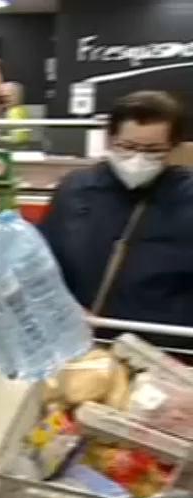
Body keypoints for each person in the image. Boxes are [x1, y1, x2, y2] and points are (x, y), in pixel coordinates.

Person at [39, 90, 193, 350]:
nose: (138, 159)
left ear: (174, 148)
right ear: (110, 139)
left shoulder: (186, 198)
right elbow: (44, 264)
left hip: (165, 352)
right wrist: (63, 306)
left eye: (153, 151)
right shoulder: (76, 190)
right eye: (128, 147)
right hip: (84, 345)